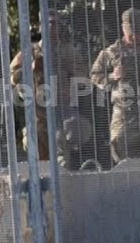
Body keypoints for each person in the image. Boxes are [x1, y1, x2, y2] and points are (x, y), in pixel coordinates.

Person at [90, 7, 140, 167]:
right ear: (123, 29)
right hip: (123, 112)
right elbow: (94, 76)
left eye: (139, 32)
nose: (136, 36)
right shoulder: (111, 52)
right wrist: (114, 76)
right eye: (131, 33)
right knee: (119, 154)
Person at [10, 13, 91, 170]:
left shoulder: (69, 51)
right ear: (40, 26)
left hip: (63, 109)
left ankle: (62, 183)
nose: (51, 27)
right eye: (47, 23)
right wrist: (29, 69)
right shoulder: (29, 52)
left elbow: (85, 80)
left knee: (61, 143)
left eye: (54, 23)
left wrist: (71, 71)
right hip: (38, 110)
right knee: (35, 144)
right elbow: (12, 78)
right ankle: (41, 185)